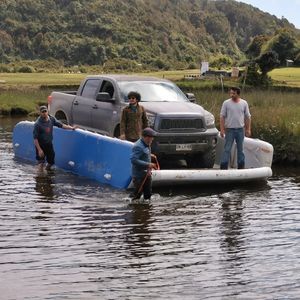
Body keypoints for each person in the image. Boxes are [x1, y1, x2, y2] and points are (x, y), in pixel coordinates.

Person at [33, 105, 77, 170]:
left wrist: (71, 128)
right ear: (40, 113)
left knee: (51, 162)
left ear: (47, 111)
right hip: (40, 145)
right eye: (43, 112)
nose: (44, 113)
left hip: (49, 144)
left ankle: (47, 171)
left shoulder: (51, 119)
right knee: (41, 163)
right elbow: (35, 139)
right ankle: (39, 177)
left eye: (45, 111)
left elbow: (61, 125)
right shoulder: (37, 124)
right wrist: (39, 150)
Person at [219, 87, 251, 170]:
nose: (231, 95)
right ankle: (223, 167)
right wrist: (222, 130)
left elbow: (248, 117)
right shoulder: (226, 103)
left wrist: (248, 129)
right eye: (230, 93)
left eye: (233, 93)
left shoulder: (244, 103)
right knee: (227, 149)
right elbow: (222, 116)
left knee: (241, 150)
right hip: (229, 130)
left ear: (238, 93)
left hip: (240, 130)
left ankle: (241, 168)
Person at [130, 127, 158, 201]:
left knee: (148, 194)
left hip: (146, 174)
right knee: (136, 196)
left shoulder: (147, 143)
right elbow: (134, 160)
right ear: (145, 137)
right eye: (151, 138)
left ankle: (146, 210)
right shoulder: (138, 146)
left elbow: (144, 153)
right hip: (138, 176)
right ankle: (134, 208)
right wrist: (148, 164)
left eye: (152, 138)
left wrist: (150, 155)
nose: (152, 139)